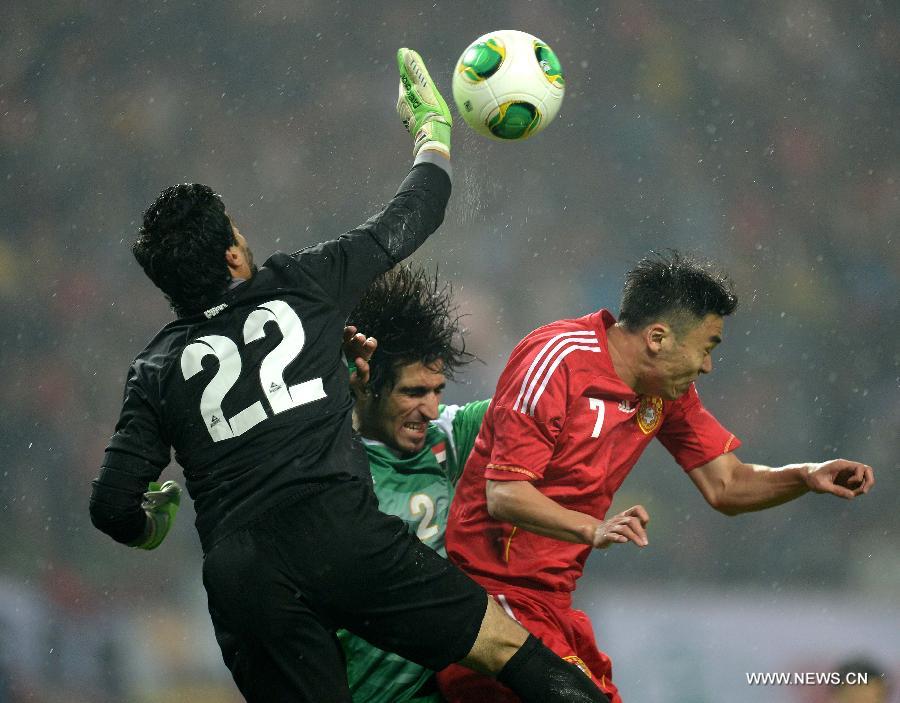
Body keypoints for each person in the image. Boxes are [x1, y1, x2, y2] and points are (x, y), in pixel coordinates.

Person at [88, 49, 609, 703]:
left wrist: (151, 522)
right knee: (508, 651)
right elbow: (418, 209)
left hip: (244, 573)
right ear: (231, 252)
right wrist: (431, 132)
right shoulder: (300, 284)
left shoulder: (155, 369)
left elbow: (111, 505)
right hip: (337, 527)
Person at [438, 250, 876, 702]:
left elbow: (726, 485)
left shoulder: (664, 392)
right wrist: (595, 528)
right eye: (706, 348)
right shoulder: (557, 359)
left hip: (553, 607)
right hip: (492, 600)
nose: (707, 366)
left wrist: (804, 475)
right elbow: (506, 494)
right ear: (658, 337)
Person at [336, 264, 489, 702]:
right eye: (413, 393)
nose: (430, 407)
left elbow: (532, 404)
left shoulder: (445, 440)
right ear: (366, 384)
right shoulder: (331, 469)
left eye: (437, 390)